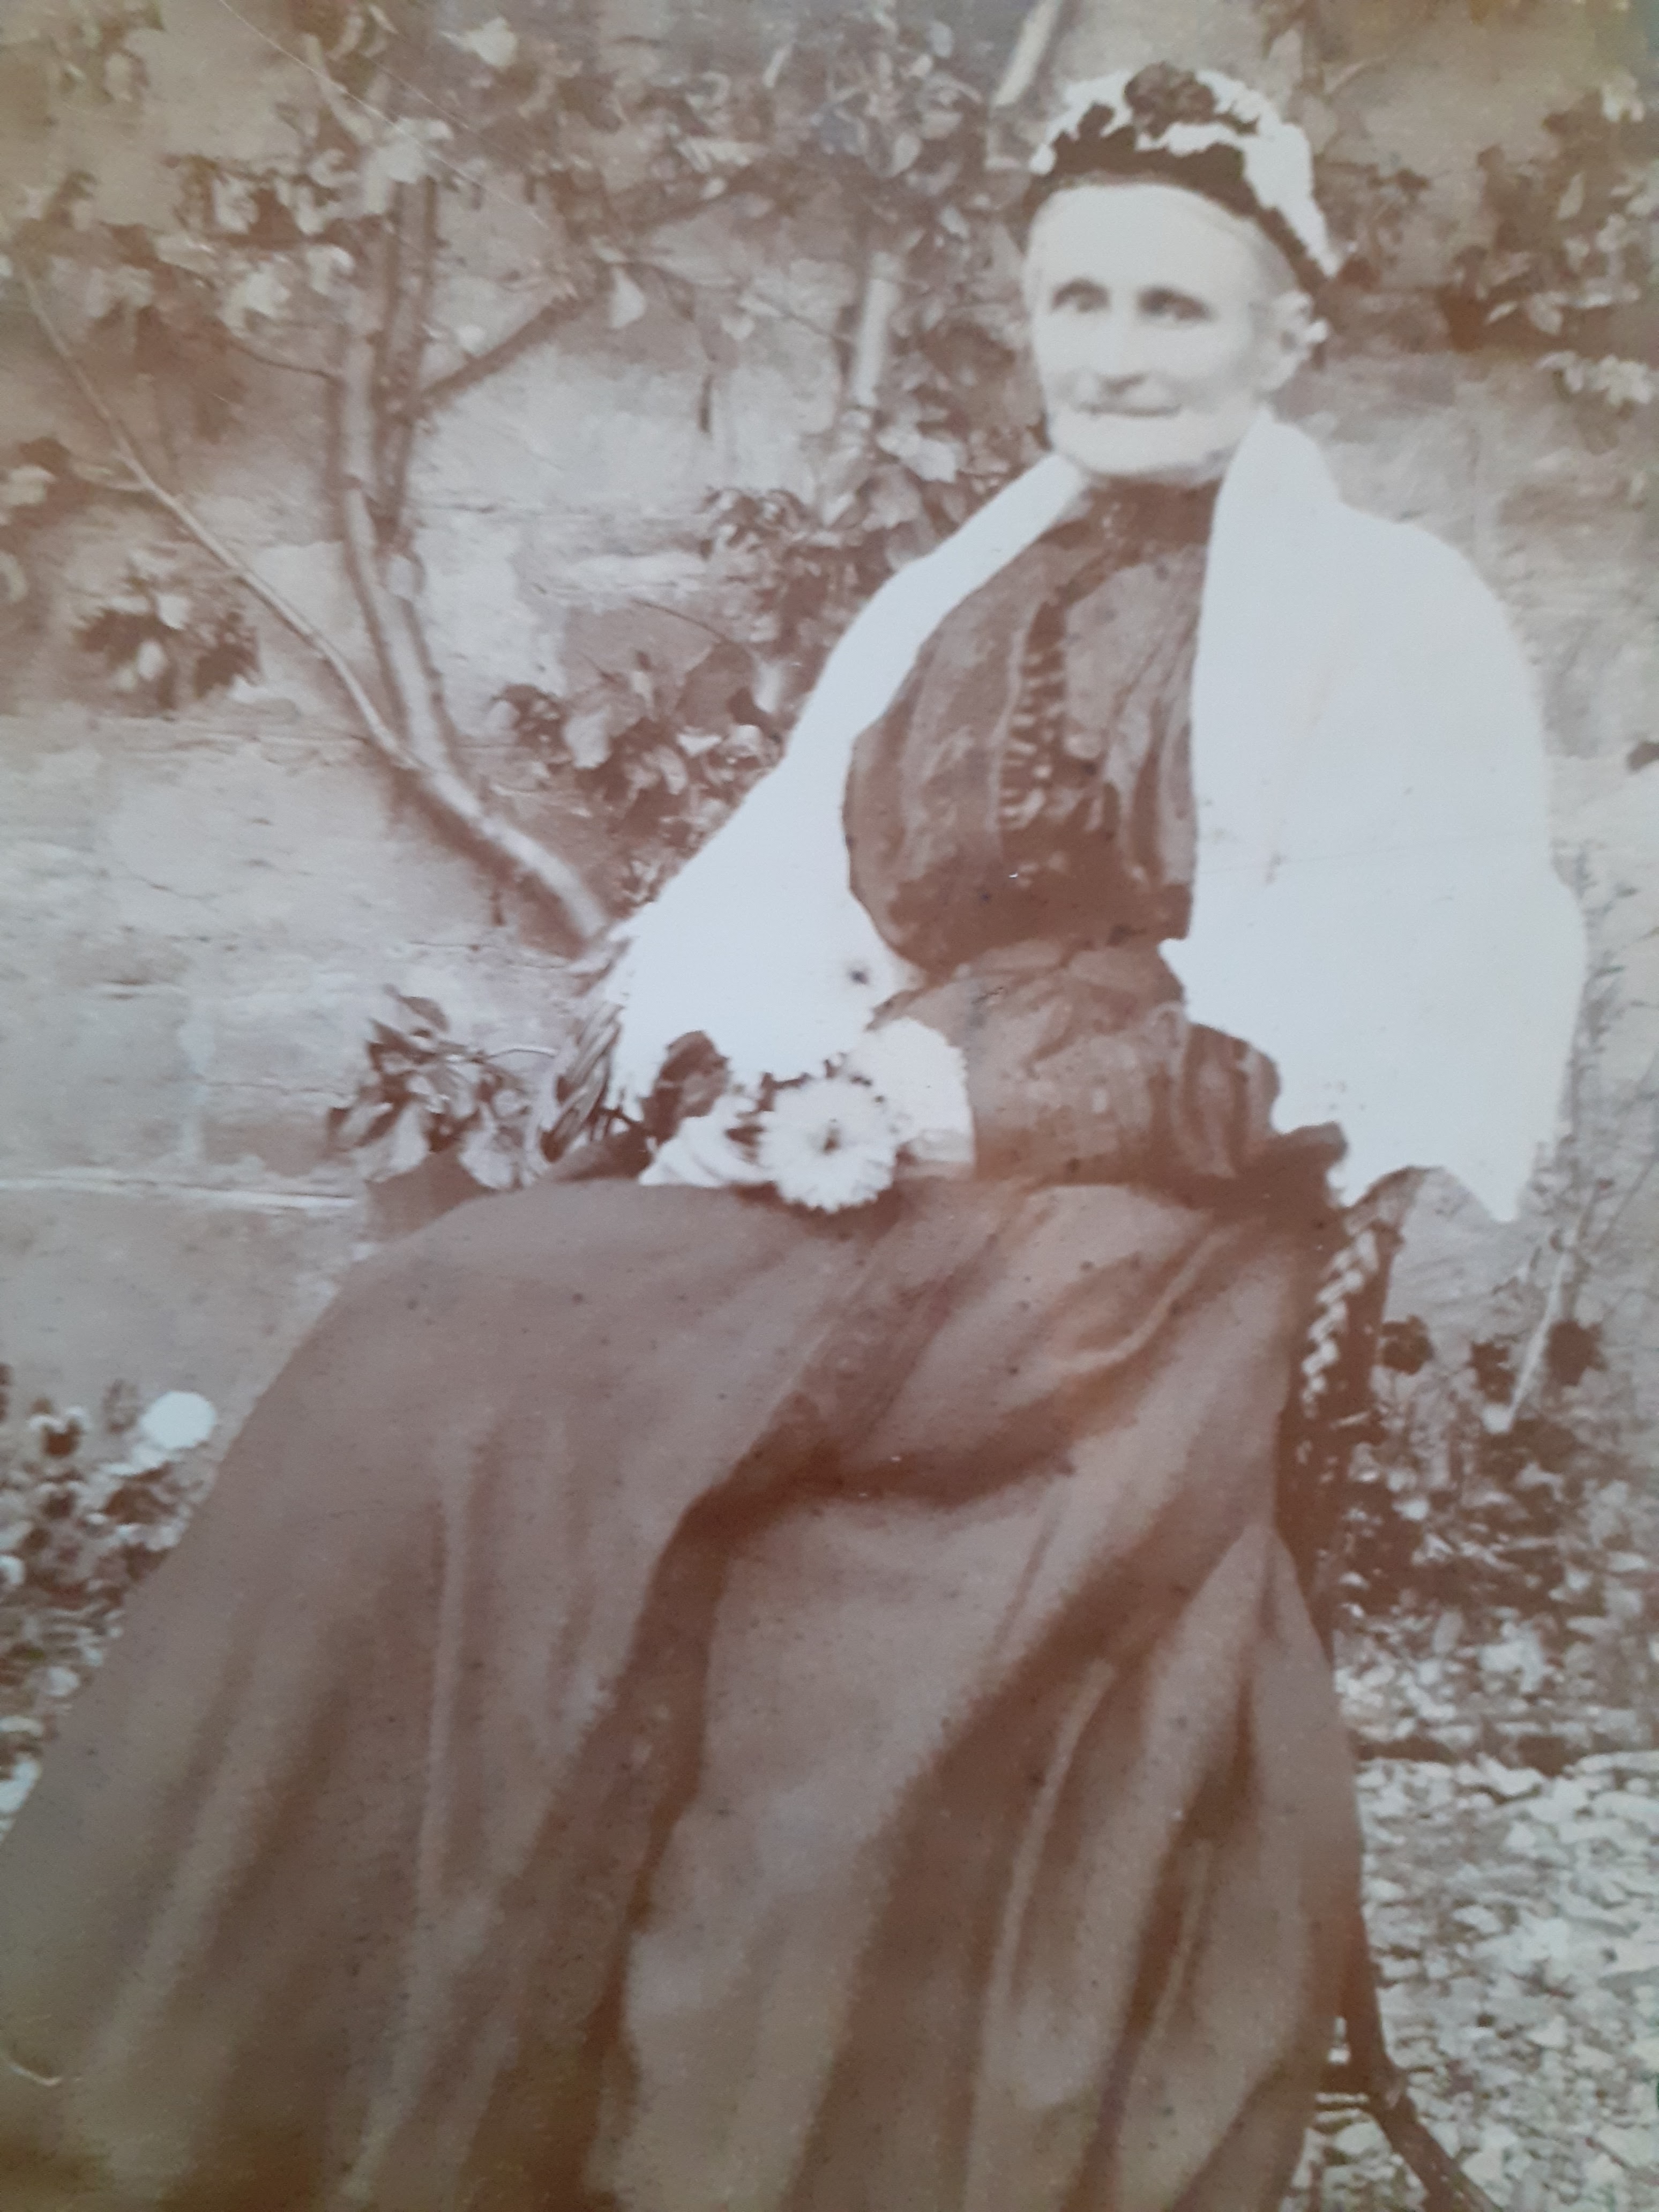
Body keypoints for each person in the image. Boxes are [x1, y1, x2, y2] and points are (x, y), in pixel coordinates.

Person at [0, 65, 1583, 2212]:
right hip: (904, 1170)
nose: (1118, 352)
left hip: (1146, 1244)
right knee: (438, 1333)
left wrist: (977, 1097)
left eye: (1176, 308)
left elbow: (1350, 1020)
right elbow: (809, 910)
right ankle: (242, 2063)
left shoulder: (1394, 619)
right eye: (1081, 300)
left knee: (553, 1371)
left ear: (1286, 331)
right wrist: (776, 1083)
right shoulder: (966, 596)